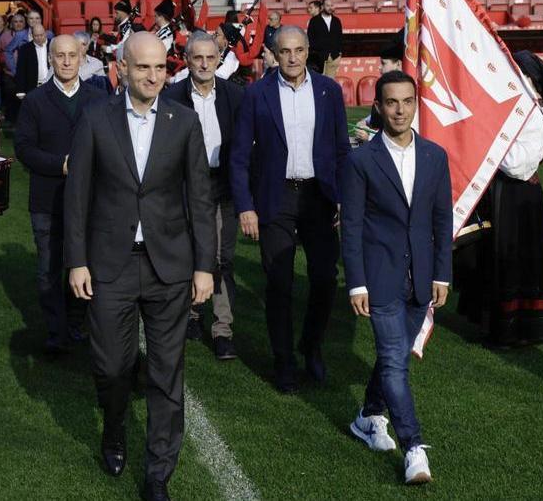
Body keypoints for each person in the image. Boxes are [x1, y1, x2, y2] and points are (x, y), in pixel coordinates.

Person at [65, 32, 215, 501]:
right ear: (122, 69)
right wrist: (77, 261)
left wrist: (205, 266)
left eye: (161, 68)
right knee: (112, 367)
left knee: (167, 372)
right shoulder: (94, 118)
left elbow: (200, 198)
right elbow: (77, 198)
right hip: (109, 265)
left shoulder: (185, 122)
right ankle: (113, 431)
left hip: (170, 266)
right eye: (144, 67)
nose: (154, 76)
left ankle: (157, 474)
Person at [341, 70, 452, 485]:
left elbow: (443, 219)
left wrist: (442, 273)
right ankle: (414, 448)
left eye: (407, 101)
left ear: (415, 104)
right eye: (391, 102)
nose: (400, 110)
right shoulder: (360, 160)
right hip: (379, 275)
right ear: (378, 106)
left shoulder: (435, 156)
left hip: (422, 277)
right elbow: (350, 225)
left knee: (395, 358)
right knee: (393, 361)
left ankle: (368, 417)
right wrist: (356, 282)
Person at [231, 25, 350, 393]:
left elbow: (342, 150)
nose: (293, 58)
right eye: (285, 51)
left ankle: (311, 346)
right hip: (275, 197)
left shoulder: (330, 91)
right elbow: (238, 157)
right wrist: (245, 207)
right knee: (279, 283)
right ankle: (284, 361)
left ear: (308, 50)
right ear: (274, 53)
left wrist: (345, 196)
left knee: (325, 279)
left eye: (299, 50)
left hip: (319, 196)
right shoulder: (257, 93)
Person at [16, 35, 109, 354]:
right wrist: (62, 165)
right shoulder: (34, 101)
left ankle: (77, 323)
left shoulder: (99, 99)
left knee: (86, 265)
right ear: (50, 60)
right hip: (48, 200)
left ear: (82, 57)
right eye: (60, 56)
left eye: (73, 55)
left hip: (91, 202)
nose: (67, 61)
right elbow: (24, 149)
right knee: (49, 269)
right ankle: (56, 331)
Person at [161, 31, 245, 360]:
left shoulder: (235, 96)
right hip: (184, 188)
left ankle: (223, 329)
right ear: (186, 60)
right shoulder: (171, 97)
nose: (205, 64)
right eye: (198, 57)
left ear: (219, 59)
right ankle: (193, 315)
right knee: (188, 255)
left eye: (211, 57)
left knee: (223, 259)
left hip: (223, 185)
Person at [479, 50, 543, 347]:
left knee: (514, 259)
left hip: (518, 196)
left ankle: (516, 330)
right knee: (499, 258)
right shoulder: (517, 110)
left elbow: (518, 165)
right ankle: (499, 326)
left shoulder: (538, 115)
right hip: (505, 192)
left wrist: (489, 142)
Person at [354, 33, 405, 143]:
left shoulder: (405, 92)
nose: (379, 67)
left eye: (383, 63)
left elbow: (401, 133)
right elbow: (380, 112)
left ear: (398, 64)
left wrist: (370, 137)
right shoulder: (384, 85)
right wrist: (365, 121)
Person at [307, 0, 343, 76]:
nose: (330, 8)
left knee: (330, 81)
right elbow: (310, 37)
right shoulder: (314, 20)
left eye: (331, 5)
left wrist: (339, 52)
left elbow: (340, 37)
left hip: (334, 56)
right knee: (319, 81)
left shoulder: (337, 21)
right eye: (327, 5)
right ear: (322, 7)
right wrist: (316, 51)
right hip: (319, 57)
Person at [15, 24, 53, 97]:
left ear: (45, 33)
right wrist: (20, 91)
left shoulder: (53, 45)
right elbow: (21, 70)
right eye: (36, 36)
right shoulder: (25, 49)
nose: (39, 38)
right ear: (32, 35)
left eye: (41, 35)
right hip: (33, 87)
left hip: (51, 85)